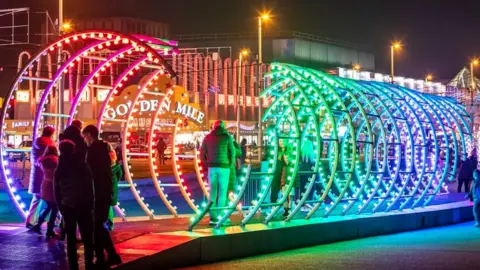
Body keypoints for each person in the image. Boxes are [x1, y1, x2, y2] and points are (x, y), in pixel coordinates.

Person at [82, 125, 122, 267]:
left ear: (89, 135)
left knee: (97, 226)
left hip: (98, 194)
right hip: (104, 193)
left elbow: (91, 173)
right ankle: (105, 256)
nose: (84, 140)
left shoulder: (93, 151)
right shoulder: (103, 149)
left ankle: (108, 256)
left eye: (85, 136)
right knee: (98, 226)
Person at [54, 140, 95, 270]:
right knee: (87, 236)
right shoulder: (82, 165)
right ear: (74, 150)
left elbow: (56, 191)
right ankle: (89, 262)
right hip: (83, 205)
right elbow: (89, 186)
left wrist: (61, 207)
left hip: (67, 206)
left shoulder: (59, 169)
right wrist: (90, 202)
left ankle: (73, 265)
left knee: (70, 238)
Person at [200, 120, 235, 225]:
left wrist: (207, 164)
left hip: (212, 168)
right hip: (224, 167)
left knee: (212, 193)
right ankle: (221, 217)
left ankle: (213, 217)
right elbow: (232, 153)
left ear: (213, 127)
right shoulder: (227, 137)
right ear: (223, 126)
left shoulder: (207, 137)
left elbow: (202, 154)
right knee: (223, 193)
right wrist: (230, 165)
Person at [26, 126, 55, 229]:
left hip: (37, 176)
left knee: (37, 199)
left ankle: (31, 220)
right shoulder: (49, 146)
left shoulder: (37, 143)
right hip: (47, 177)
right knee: (53, 202)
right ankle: (50, 222)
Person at [32, 145, 59, 237]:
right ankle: (49, 229)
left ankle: (39, 224)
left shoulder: (42, 161)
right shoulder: (56, 160)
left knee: (49, 207)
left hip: (46, 184)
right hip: (53, 185)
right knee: (55, 208)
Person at [107, 143, 123, 231]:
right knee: (109, 206)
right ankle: (110, 225)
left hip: (105, 187)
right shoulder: (116, 166)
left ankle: (108, 224)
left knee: (106, 206)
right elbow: (120, 175)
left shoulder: (103, 162)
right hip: (113, 187)